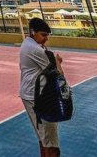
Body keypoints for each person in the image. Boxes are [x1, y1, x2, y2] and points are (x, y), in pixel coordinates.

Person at [20, 17, 64, 157]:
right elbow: (58, 74)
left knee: (43, 138)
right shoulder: (35, 50)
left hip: (30, 95)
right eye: (43, 35)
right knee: (51, 144)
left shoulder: (26, 43)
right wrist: (58, 63)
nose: (46, 39)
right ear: (33, 32)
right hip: (39, 98)